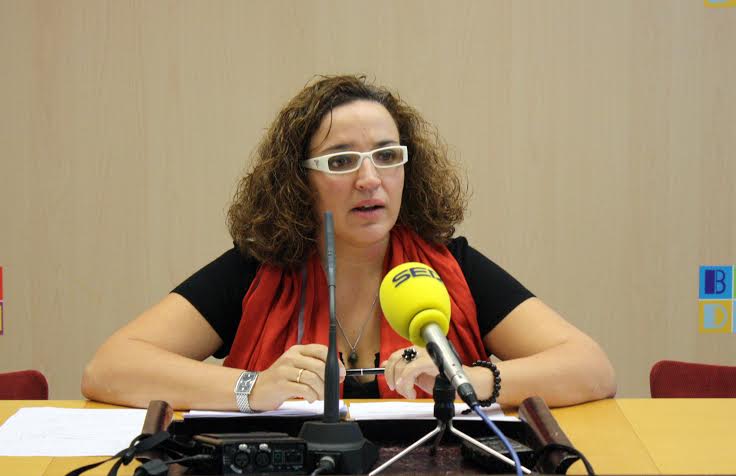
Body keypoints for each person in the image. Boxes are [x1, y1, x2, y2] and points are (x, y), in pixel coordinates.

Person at [81, 75, 616, 412]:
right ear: (299, 181)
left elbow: (591, 368)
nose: (369, 179)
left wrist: (468, 378)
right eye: (341, 161)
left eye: (387, 156)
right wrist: (251, 388)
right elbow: (109, 368)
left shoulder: (452, 266)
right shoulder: (258, 269)